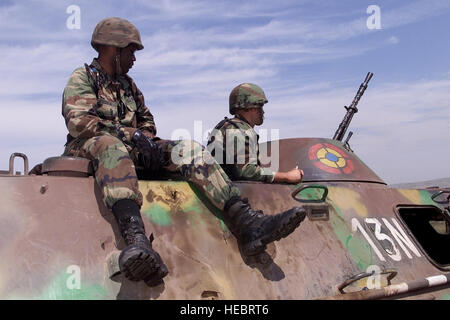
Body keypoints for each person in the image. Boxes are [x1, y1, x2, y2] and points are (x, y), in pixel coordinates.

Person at [62, 18, 306, 287]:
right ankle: (136, 241)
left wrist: (150, 143)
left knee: (188, 148)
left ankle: (248, 224)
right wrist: (132, 136)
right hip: (92, 147)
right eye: (131, 51)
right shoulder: (83, 78)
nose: (134, 58)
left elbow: (147, 122)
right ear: (113, 49)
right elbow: (79, 122)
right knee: (112, 147)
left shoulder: (129, 86)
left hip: (132, 150)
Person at [207, 83, 304, 184]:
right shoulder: (238, 130)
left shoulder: (228, 126)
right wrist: (286, 176)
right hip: (227, 194)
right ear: (250, 106)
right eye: (260, 106)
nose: (263, 112)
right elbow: (246, 172)